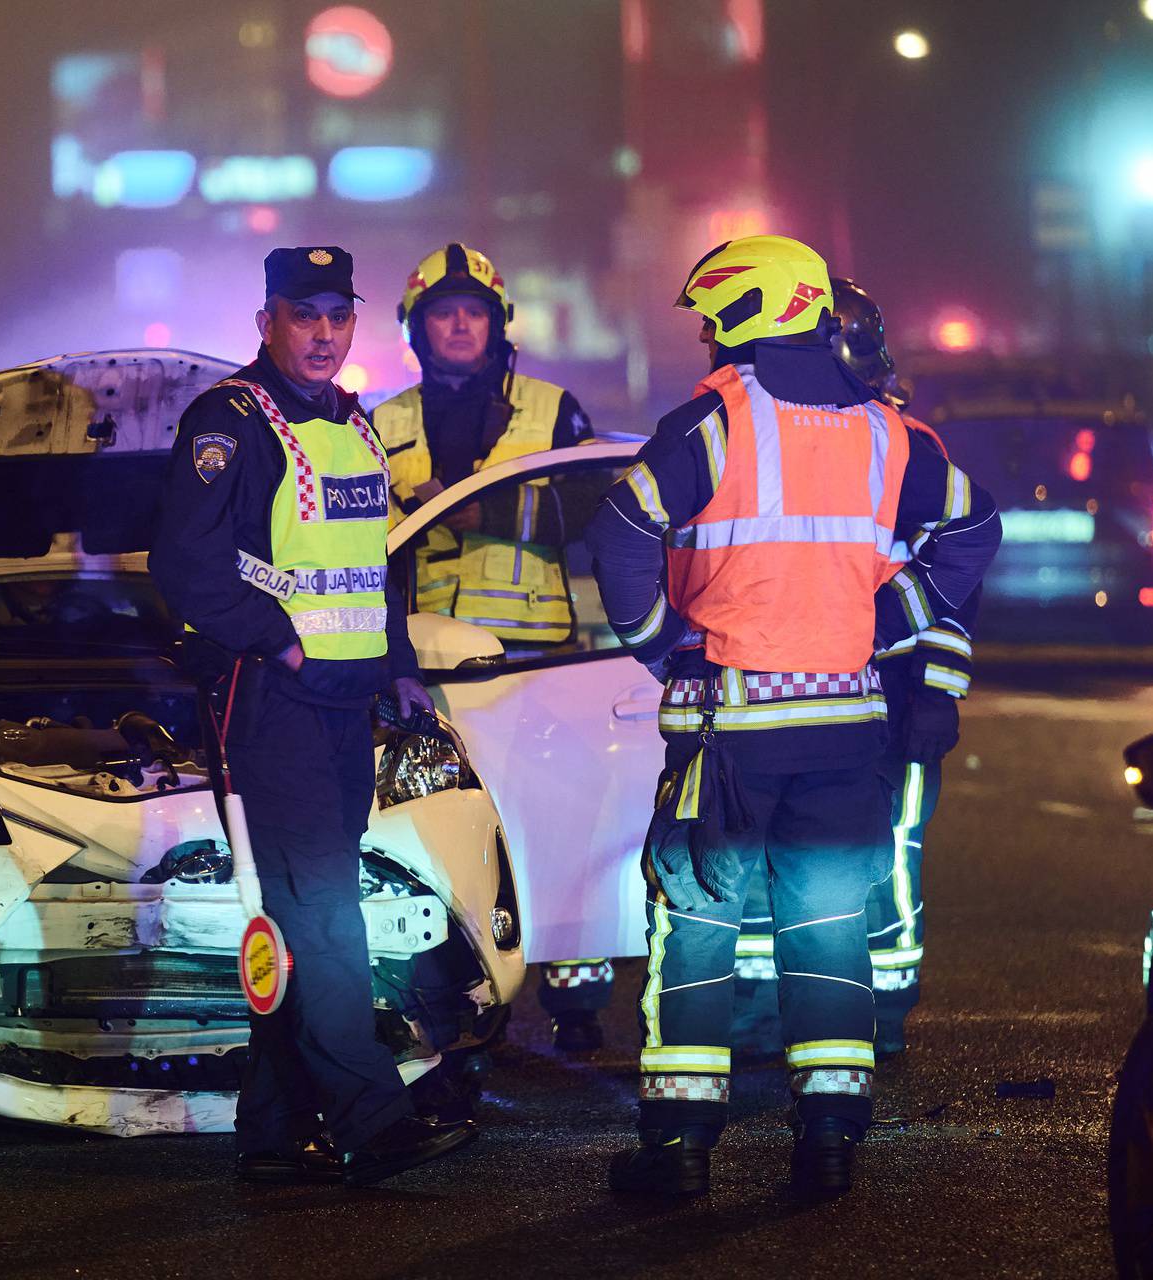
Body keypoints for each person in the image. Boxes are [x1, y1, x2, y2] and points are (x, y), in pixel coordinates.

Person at [588, 235, 998, 1198]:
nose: (705, 340)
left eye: (711, 320)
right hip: (847, 727)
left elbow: (620, 525)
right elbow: (975, 529)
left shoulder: (715, 424)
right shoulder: (888, 436)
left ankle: (681, 1152)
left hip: (728, 730)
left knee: (696, 928)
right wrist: (885, 620)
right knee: (828, 929)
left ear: (747, 314)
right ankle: (828, 1142)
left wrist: (661, 643)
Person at [149, 246, 476, 1186]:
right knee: (328, 913)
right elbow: (185, 565)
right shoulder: (232, 424)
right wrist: (279, 643)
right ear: (266, 323)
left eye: (339, 316)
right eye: (306, 316)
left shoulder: (354, 423)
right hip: (278, 702)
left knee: (304, 915)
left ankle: (274, 1125)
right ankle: (374, 1120)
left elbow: (370, 566)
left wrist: (399, 669)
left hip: (347, 704)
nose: (326, 334)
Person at [371, 242, 616, 1053]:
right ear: (417, 328)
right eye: (442, 312)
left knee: (560, 823)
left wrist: (489, 515)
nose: (458, 325)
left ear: (498, 324)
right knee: (451, 830)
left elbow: (601, 521)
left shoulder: (554, 410)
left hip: (535, 660)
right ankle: (466, 990)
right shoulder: (382, 421)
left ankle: (576, 999)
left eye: (473, 311)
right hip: (432, 668)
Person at [729, 277, 976, 1058]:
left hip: (896, 684)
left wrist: (937, 688)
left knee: (891, 848)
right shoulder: (778, 440)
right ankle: (774, 1008)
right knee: (791, 848)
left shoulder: (904, 444)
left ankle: (886, 1001)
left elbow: (956, 583)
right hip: (814, 679)